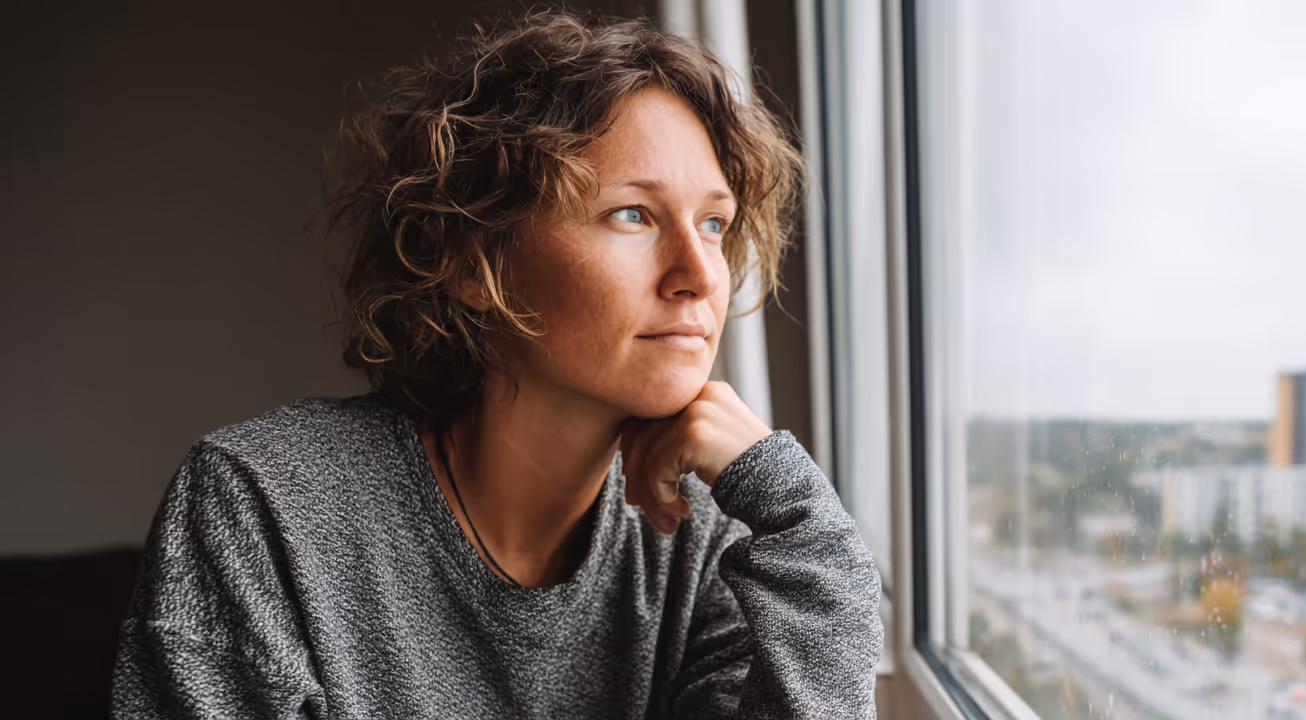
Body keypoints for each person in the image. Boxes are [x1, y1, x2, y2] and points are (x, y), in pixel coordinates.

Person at [111, 11, 882, 719]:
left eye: (713, 223)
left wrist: (796, 516)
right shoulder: (261, 510)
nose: (701, 273)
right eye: (632, 214)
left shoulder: (705, 545)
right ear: (477, 262)